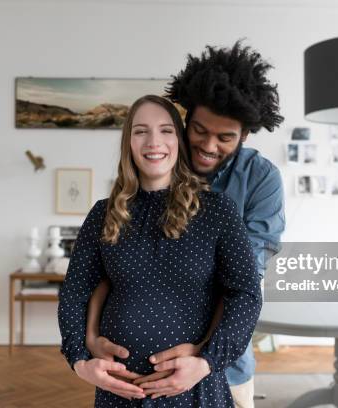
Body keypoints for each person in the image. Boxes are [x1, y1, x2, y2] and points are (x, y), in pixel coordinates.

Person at [85, 41, 286, 408]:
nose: (208, 146)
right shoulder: (159, 162)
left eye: (225, 138)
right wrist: (92, 337)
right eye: (199, 130)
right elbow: (112, 266)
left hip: (225, 367)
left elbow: (243, 282)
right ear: (184, 120)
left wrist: (203, 355)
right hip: (133, 371)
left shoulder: (260, 179)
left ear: (245, 135)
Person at [58, 94, 262, 407]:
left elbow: (245, 294)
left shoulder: (217, 211)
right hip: (120, 391)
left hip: (194, 387)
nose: (154, 141)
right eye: (141, 131)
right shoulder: (103, 214)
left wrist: (206, 361)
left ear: (179, 141)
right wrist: (81, 361)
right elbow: (74, 293)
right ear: (129, 142)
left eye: (166, 130)